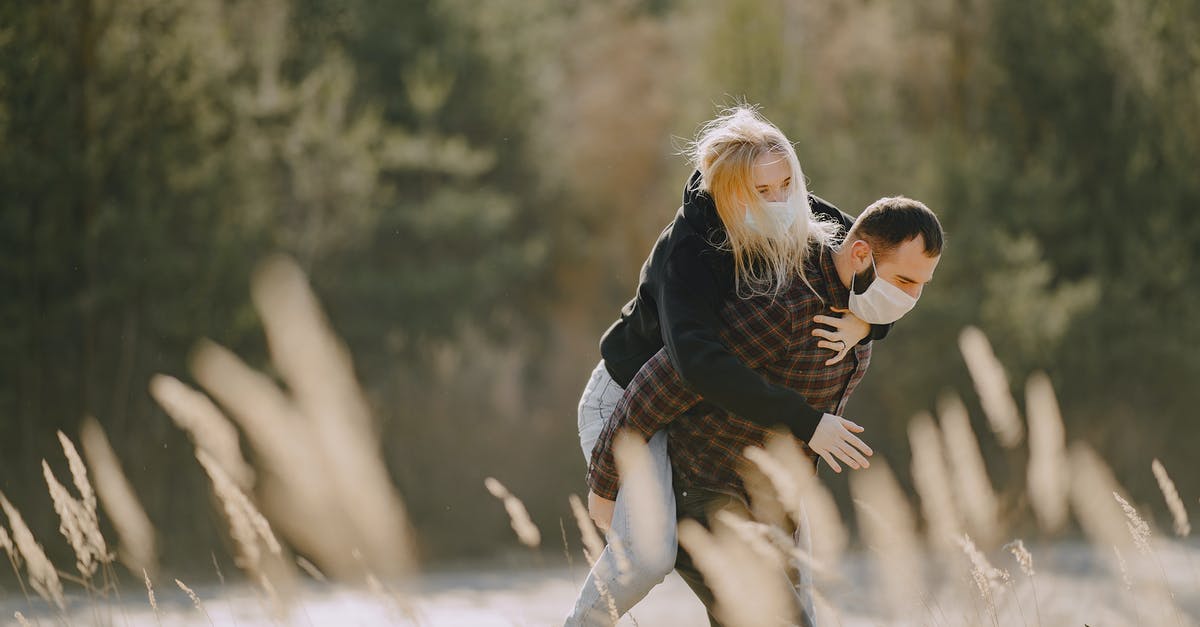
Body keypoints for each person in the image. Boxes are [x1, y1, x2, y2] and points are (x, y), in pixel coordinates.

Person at [566, 106, 888, 626]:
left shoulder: (805, 212)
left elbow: (880, 271)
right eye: (765, 192)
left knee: (793, 572)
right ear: (731, 192)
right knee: (647, 559)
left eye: (788, 183)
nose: (783, 199)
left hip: (698, 410)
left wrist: (868, 325)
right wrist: (605, 484)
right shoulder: (688, 252)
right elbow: (696, 364)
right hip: (630, 398)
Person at [589, 196, 944, 626]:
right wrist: (605, 482)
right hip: (706, 489)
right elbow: (663, 382)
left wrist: (870, 325)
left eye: (921, 284)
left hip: (766, 501)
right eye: (904, 281)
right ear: (861, 254)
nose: (911, 297)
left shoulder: (859, 305)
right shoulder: (785, 306)